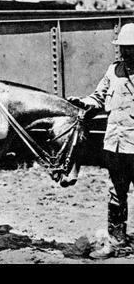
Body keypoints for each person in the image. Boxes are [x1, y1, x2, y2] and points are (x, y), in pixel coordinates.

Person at [67, 23, 134, 259]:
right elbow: (98, 96)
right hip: (115, 144)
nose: (126, 53)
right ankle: (116, 241)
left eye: (130, 48)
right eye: (123, 48)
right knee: (116, 192)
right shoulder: (112, 70)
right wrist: (85, 102)